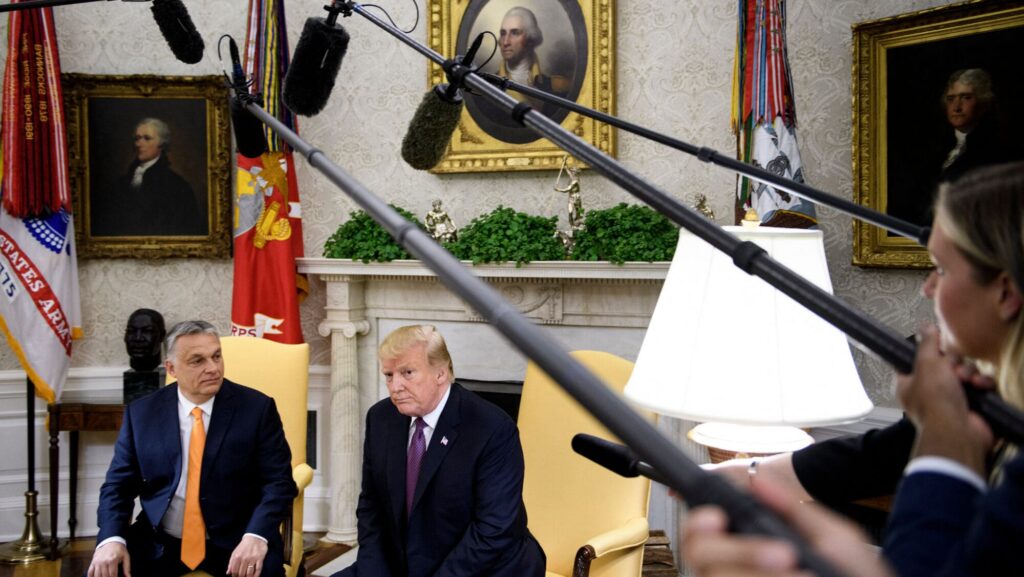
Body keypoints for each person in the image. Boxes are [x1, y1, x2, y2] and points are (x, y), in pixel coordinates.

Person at [681, 161, 1024, 577]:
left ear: (1005, 291)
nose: (928, 288)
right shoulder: (991, 399)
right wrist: (750, 474)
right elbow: (880, 455)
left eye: (942, 269)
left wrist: (946, 448)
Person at [334, 324, 546, 577]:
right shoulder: (381, 418)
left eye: (407, 372)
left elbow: (494, 530)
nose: (395, 386)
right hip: (404, 563)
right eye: (389, 375)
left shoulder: (491, 427)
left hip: (481, 567)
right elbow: (371, 507)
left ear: (441, 373)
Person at [88, 320, 297, 577]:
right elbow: (117, 486)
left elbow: (279, 482)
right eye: (197, 361)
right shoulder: (141, 414)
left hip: (237, 539)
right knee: (104, 570)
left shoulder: (257, 409)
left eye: (216, 356)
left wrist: (256, 535)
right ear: (172, 368)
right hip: (161, 540)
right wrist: (111, 539)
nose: (213, 368)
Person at [889, 69, 1020, 227]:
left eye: (966, 97)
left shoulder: (997, 153)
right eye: (951, 99)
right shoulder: (938, 151)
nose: (956, 107)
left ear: (984, 104)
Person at [93, 118, 204, 237]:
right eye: (137, 138)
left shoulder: (177, 186)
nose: (138, 144)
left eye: (147, 138)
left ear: (161, 144)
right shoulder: (122, 182)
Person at [497, 7, 570, 104]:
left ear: (530, 38)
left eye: (514, 33)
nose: (505, 42)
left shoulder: (557, 87)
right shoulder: (486, 85)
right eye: (503, 33)